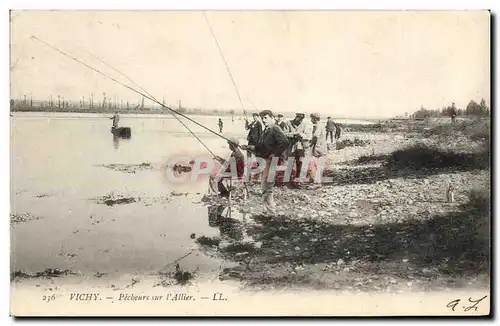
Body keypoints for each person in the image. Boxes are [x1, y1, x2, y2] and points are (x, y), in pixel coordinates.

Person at [241, 110, 289, 213]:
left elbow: (284, 142)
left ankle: (271, 211)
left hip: (271, 161)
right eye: (262, 118)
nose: (263, 120)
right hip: (265, 160)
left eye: (266, 118)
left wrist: (275, 154)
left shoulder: (275, 128)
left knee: (267, 185)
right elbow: (261, 146)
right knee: (264, 185)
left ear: (272, 117)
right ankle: (267, 209)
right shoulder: (266, 129)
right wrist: (248, 147)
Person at [283, 112, 313, 181]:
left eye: (301, 119)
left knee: (300, 162)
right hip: (290, 146)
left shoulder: (304, 124)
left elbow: (308, 135)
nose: (300, 121)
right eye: (299, 118)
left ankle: (297, 177)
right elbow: (284, 134)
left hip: (300, 147)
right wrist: (293, 134)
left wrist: (301, 135)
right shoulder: (288, 123)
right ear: (296, 117)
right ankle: (288, 179)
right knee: (290, 163)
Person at [308, 113, 328, 183]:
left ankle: (316, 181)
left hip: (318, 148)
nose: (311, 120)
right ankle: (316, 180)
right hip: (322, 147)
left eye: (311, 118)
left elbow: (316, 136)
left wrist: (310, 145)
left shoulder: (318, 126)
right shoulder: (321, 124)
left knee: (315, 164)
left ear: (315, 119)